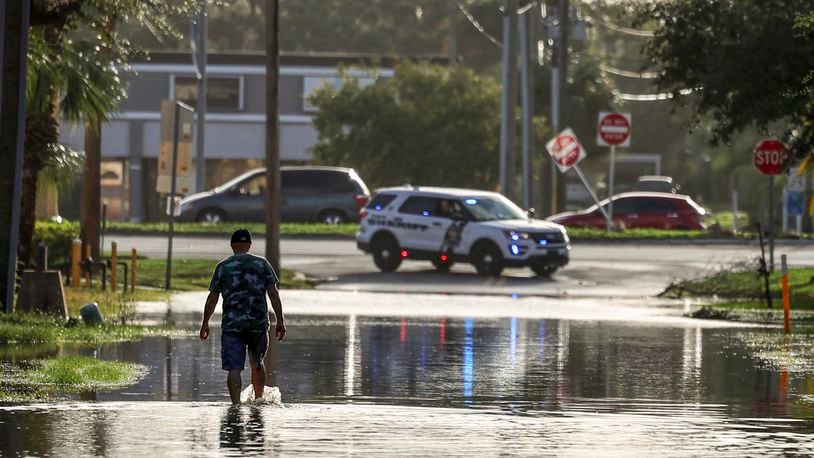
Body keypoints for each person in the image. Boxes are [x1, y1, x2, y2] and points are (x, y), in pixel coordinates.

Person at [200, 228, 286, 404]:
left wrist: (205, 323)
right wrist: (280, 321)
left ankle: (235, 405)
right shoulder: (262, 264)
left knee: (234, 368)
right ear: (249, 245)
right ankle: (259, 400)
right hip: (258, 324)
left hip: (232, 325)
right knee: (256, 362)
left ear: (232, 245)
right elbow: (273, 294)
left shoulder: (223, 267)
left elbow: (212, 298)